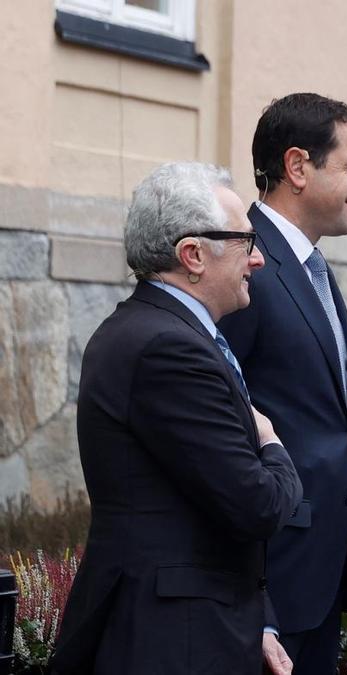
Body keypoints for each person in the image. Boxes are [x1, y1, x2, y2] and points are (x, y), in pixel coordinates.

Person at [52, 162, 302, 674]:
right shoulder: (168, 346)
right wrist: (272, 442)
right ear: (192, 255)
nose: (257, 260)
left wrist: (263, 620)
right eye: (246, 242)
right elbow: (256, 505)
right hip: (175, 641)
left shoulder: (165, 331)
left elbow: (204, 506)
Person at [217, 92, 347, 675]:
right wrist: (254, 596)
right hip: (272, 575)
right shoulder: (246, 266)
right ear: (297, 167)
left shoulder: (312, 265)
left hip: (320, 569)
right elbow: (225, 432)